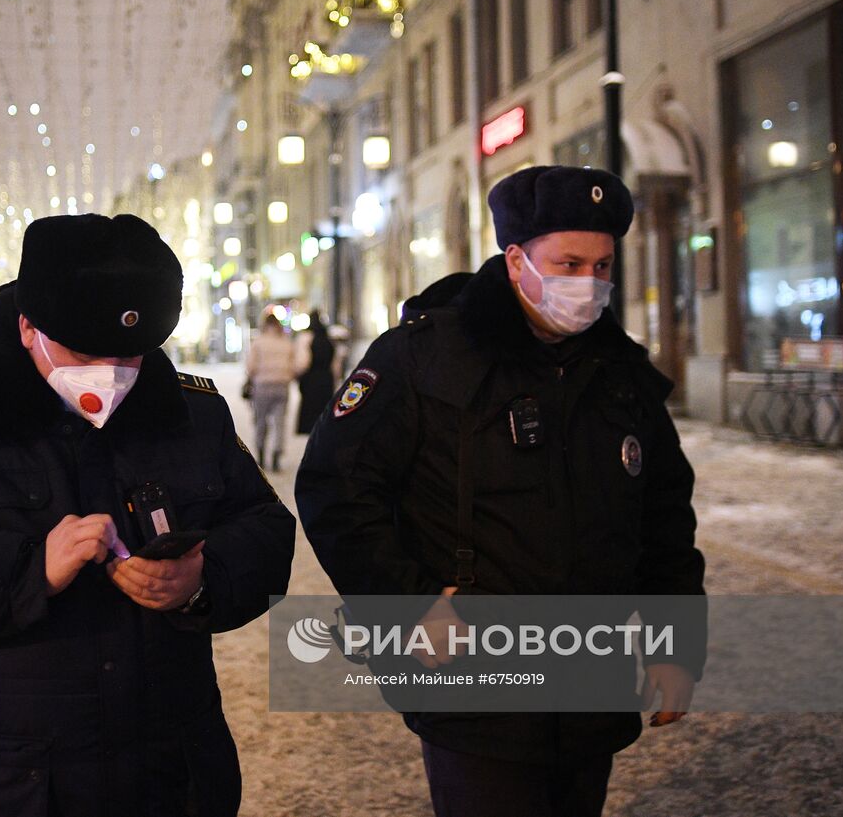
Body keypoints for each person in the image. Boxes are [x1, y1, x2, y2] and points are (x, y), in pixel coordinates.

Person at [0, 213, 296, 817]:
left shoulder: (190, 414)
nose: (113, 373)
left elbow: (265, 528)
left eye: (132, 353)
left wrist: (200, 581)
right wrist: (27, 570)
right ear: (27, 326)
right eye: (84, 351)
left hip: (168, 776)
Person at [295, 166, 705, 817]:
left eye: (602, 266)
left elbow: (663, 516)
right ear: (516, 259)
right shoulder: (424, 356)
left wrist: (675, 641)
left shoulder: (619, 370)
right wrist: (409, 604)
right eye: (569, 262)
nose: (591, 282)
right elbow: (335, 489)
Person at [243, 308, 298, 472]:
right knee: (280, 422)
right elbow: (295, 364)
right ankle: (276, 456)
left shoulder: (258, 342)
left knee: (261, 421)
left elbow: (250, 366)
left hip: (262, 386)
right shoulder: (286, 342)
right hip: (282, 385)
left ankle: (261, 455)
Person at [293, 310, 336, 435]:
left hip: (311, 380)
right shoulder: (328, 337)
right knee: (324, 417)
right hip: (326, 380)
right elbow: (335, 363)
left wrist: (298, 375)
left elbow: (303, 362)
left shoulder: (306, 337)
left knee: (310, 416)